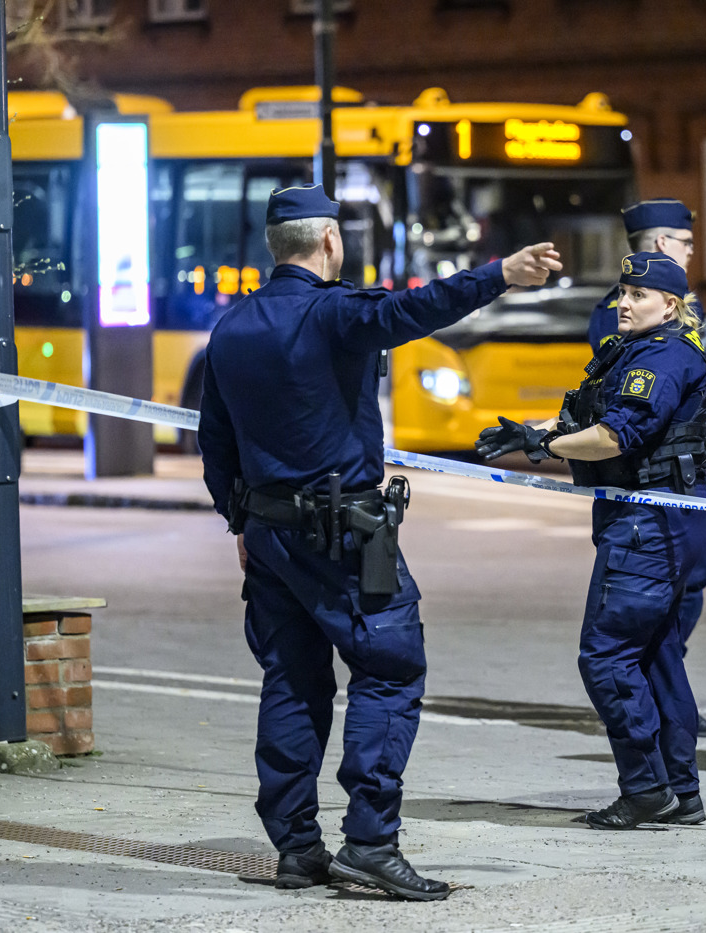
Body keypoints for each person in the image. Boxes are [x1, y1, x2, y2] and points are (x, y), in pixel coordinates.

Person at [198, 184, 561, 899]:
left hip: (269, 534)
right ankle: (369, 840)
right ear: (330, 241)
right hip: (345, 534)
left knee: (293, 681)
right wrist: (499, 274)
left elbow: (215, 441)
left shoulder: (231, 326)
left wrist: (238, 521)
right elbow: (412, 309)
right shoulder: (335, 313)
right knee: (391, 667)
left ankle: (298, 848)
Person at [478, 252, 706, 829]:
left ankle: (645, 788)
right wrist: (537, 432)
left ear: (671, 305)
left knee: (606, 656)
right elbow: (596, 420)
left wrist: (544, 449)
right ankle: (680, 792)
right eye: (623, 292)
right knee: (657, 656)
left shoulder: (659, 358)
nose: (624, 303)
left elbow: (615, 436)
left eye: (638, 295)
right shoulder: (636, 351)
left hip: (646, 527)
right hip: (659, 521)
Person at [588, 197, 706, 741]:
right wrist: (550, 441)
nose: (694, 251)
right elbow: (622, 413)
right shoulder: (625, 314)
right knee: (634, 636)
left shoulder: (678, 306)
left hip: (677, 486)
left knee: (673, 612)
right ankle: (659, 744)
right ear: (662, 244)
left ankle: (671, 738)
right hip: (643, 496)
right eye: (686, 242)